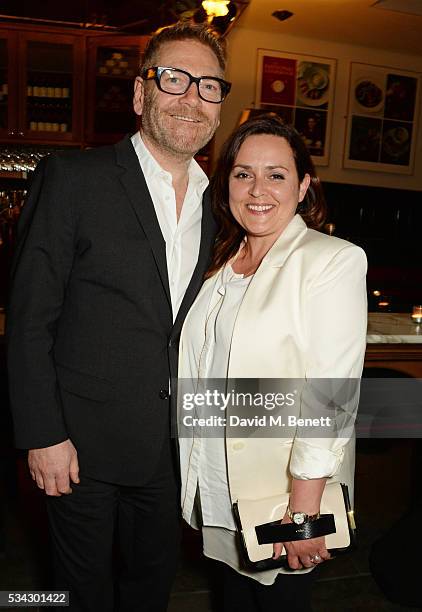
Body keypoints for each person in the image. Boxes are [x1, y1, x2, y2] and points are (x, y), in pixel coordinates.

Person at [6, 22, 231, 612]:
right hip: (78, 448)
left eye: (208, 86)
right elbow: (30, 318)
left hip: (173, 451)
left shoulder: (224, 204)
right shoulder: (74, 179)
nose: (191, 97)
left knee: (150, 591)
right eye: (174, 78)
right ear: (140, 94)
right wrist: (42, 434)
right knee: (79, 594)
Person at [178, 115, 367, 611]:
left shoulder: (331, 259)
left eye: (276, 174)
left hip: (283, 495)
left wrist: (304, 512)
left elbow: (331, 395)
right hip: (218, 481)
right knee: (233, 600)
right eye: (243, 174)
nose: (257, 189)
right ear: (227, 184)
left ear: (304, 185)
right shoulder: (221, 263)